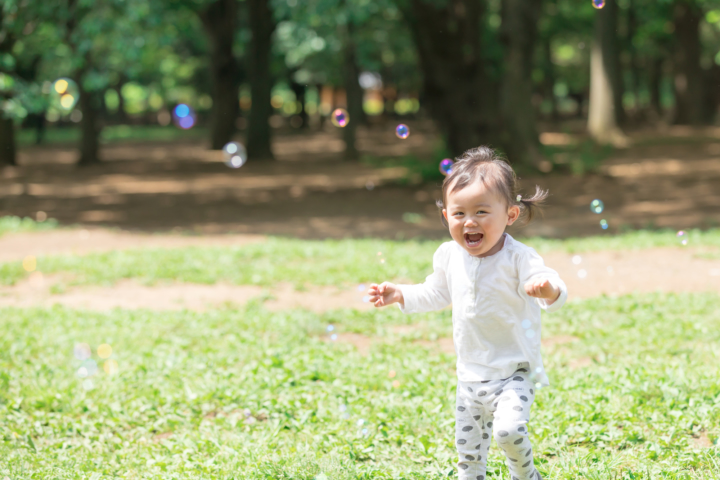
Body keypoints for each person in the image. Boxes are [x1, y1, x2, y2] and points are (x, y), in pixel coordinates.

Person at [368, 146, 567, 480]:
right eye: (459, 214)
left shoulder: (520, 258)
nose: (470, 222)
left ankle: (526, 476)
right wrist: (401, 293)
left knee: (508, 432)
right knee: (469, 457)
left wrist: (547, 290)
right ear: (446, 216)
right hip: (470, 377)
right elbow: (435, 292)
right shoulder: (448, 256)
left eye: (482, 212)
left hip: (515, 372)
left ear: (511, 215)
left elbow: (553, 286)